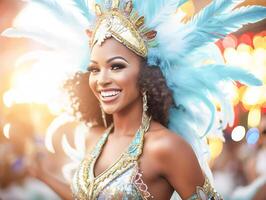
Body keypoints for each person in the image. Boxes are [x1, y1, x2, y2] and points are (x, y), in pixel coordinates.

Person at [2, 0, 266, 199]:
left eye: (116, 66)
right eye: (95, 69)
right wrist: (41, 174)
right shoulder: (97, 138)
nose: (102, 79)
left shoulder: (166, 147)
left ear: (145, 74)